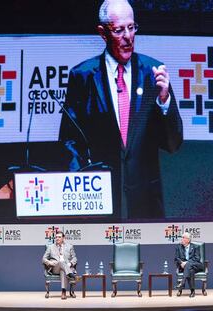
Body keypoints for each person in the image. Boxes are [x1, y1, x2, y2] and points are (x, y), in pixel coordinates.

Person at [59, 0, 183, 220]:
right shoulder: (83, 76)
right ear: (103, 33)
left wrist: (165, 101)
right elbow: (69, 141)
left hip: (146, 204)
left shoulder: (153, 73)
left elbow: (173, 144)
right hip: (99, 203)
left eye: (132, 27)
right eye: (118, 30)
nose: (128, 36)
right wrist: (81, 188)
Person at [42, 231, 78, 299]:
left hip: (65, 268)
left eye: (59, 237)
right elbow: (44, 259)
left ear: (63, 238)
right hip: (55, 268)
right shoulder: (51, 247)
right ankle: (71, 275)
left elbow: (75, 258)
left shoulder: (70, 246)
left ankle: (63, 292)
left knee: (63, 270)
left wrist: (70, 263)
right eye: (56, 237)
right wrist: (50, 263)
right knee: (61, 262)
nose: (57, 238)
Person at [174, 232, 204, 298]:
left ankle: (182, 283)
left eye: (183, 237)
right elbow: (176, 258)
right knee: (190, 271)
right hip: (187, 267)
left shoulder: (195, 247)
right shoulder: (179, 247)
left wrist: (186, 263)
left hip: (197, 266)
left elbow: (197, 258)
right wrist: (181, 262)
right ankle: (192, 291)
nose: (181, 239)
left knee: (188, 265)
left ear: (188, 240)